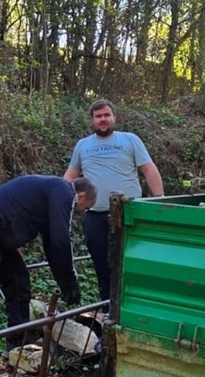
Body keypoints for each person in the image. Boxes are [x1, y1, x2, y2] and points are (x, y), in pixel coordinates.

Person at [0, 174, 96, 377]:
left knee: (18, 282)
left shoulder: (52, 193)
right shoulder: (63, 192)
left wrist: (65, 283)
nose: (83, 213)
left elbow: (52, 244)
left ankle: (16, 345)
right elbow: (61, 241)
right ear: (81, 196)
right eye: (86, 208)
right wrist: (70, 282)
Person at [63, 99, 163, 307]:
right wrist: (59, 202)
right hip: (95, 215)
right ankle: (108, 310)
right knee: (102, 267)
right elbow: (70, 176)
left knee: (131, 262)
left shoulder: (130, 140)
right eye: (98, 116)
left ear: (114, 117)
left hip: (129, 212)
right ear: (92, 120)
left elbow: (148, 169)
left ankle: (136, 307)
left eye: (106, 115)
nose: (103, 120)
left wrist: (160, 199)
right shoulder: (83, 145)